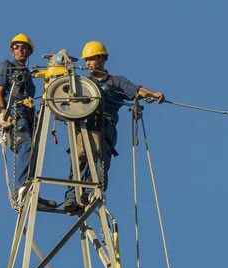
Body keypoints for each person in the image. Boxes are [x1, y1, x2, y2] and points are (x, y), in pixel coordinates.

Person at [63, 41, 165, 212]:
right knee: (79, 162)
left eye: (91, 59)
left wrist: (153, 94)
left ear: (102, 59)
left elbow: (136, 90)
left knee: (100, 162)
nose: (87, 63)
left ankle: (91, 193)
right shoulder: (83, 83)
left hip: (105, 127)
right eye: (86, 60)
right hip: (85, 126)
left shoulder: (116, 82)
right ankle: (72, 198)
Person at [0, 33, 56, 209]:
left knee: (35, 153)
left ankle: (32, 192)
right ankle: (22, 188)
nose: (20, 50)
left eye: (24, 48)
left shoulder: (28, 74)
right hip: (16, 113)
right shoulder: (7, 66)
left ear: (29, 52)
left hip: (29, 117)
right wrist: (2, 112)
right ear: (11, 50)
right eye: (17, 47)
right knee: (26, 145)